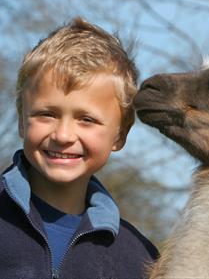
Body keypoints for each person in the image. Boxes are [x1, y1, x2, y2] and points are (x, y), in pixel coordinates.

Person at [0, 17, 159, 279]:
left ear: (120, 136)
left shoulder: (140, 259)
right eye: (46, 114)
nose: (63, 135)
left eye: (86, 120)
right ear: (21, 121)